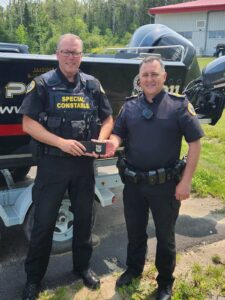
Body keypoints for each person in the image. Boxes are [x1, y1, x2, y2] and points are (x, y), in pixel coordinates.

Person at [19, 33, 113, 300]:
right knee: (44, 224)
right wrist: (60, 142)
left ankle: (82, 267)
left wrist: (101, 139)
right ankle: (33, 280)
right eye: (67, 52)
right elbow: (28, 124)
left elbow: (108, 119)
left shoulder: (93, 85)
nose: (72, 57)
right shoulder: (42, 84)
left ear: (81, 56)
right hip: (52, 166)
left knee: (84, 221)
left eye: (76, 53)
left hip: (84, 165)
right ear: (57, 54)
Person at [103, 56, 204, 300]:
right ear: (140, 79)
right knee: (135, 232)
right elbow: (118, 134)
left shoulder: (179, 106)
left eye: (154, 74)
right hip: (134, 184)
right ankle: (134, 270)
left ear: (164, 77)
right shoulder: (129, 107)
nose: (149, 79)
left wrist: (186, 181)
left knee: (165, 236)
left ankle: (165, 283)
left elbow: (195, 144)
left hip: (166, 186)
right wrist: (111, 143)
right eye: (145, 75)